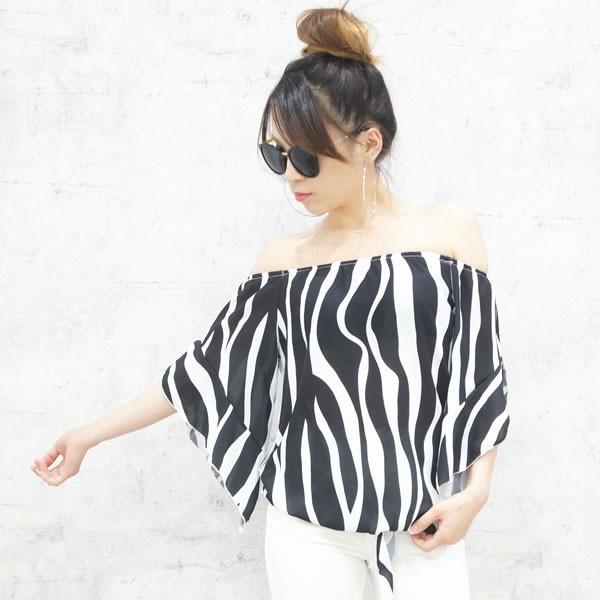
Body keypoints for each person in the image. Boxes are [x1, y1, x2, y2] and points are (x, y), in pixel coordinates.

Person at [31, 3, 510, 599]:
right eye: (276, 155)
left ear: (369, 143)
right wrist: (89, 434)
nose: (290, 175)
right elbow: (201, 370)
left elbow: (478, 372)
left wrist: (476, 491)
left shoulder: (449, 233)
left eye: (305, 156)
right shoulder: (284, 262)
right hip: (307, 528)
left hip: (424, 520)